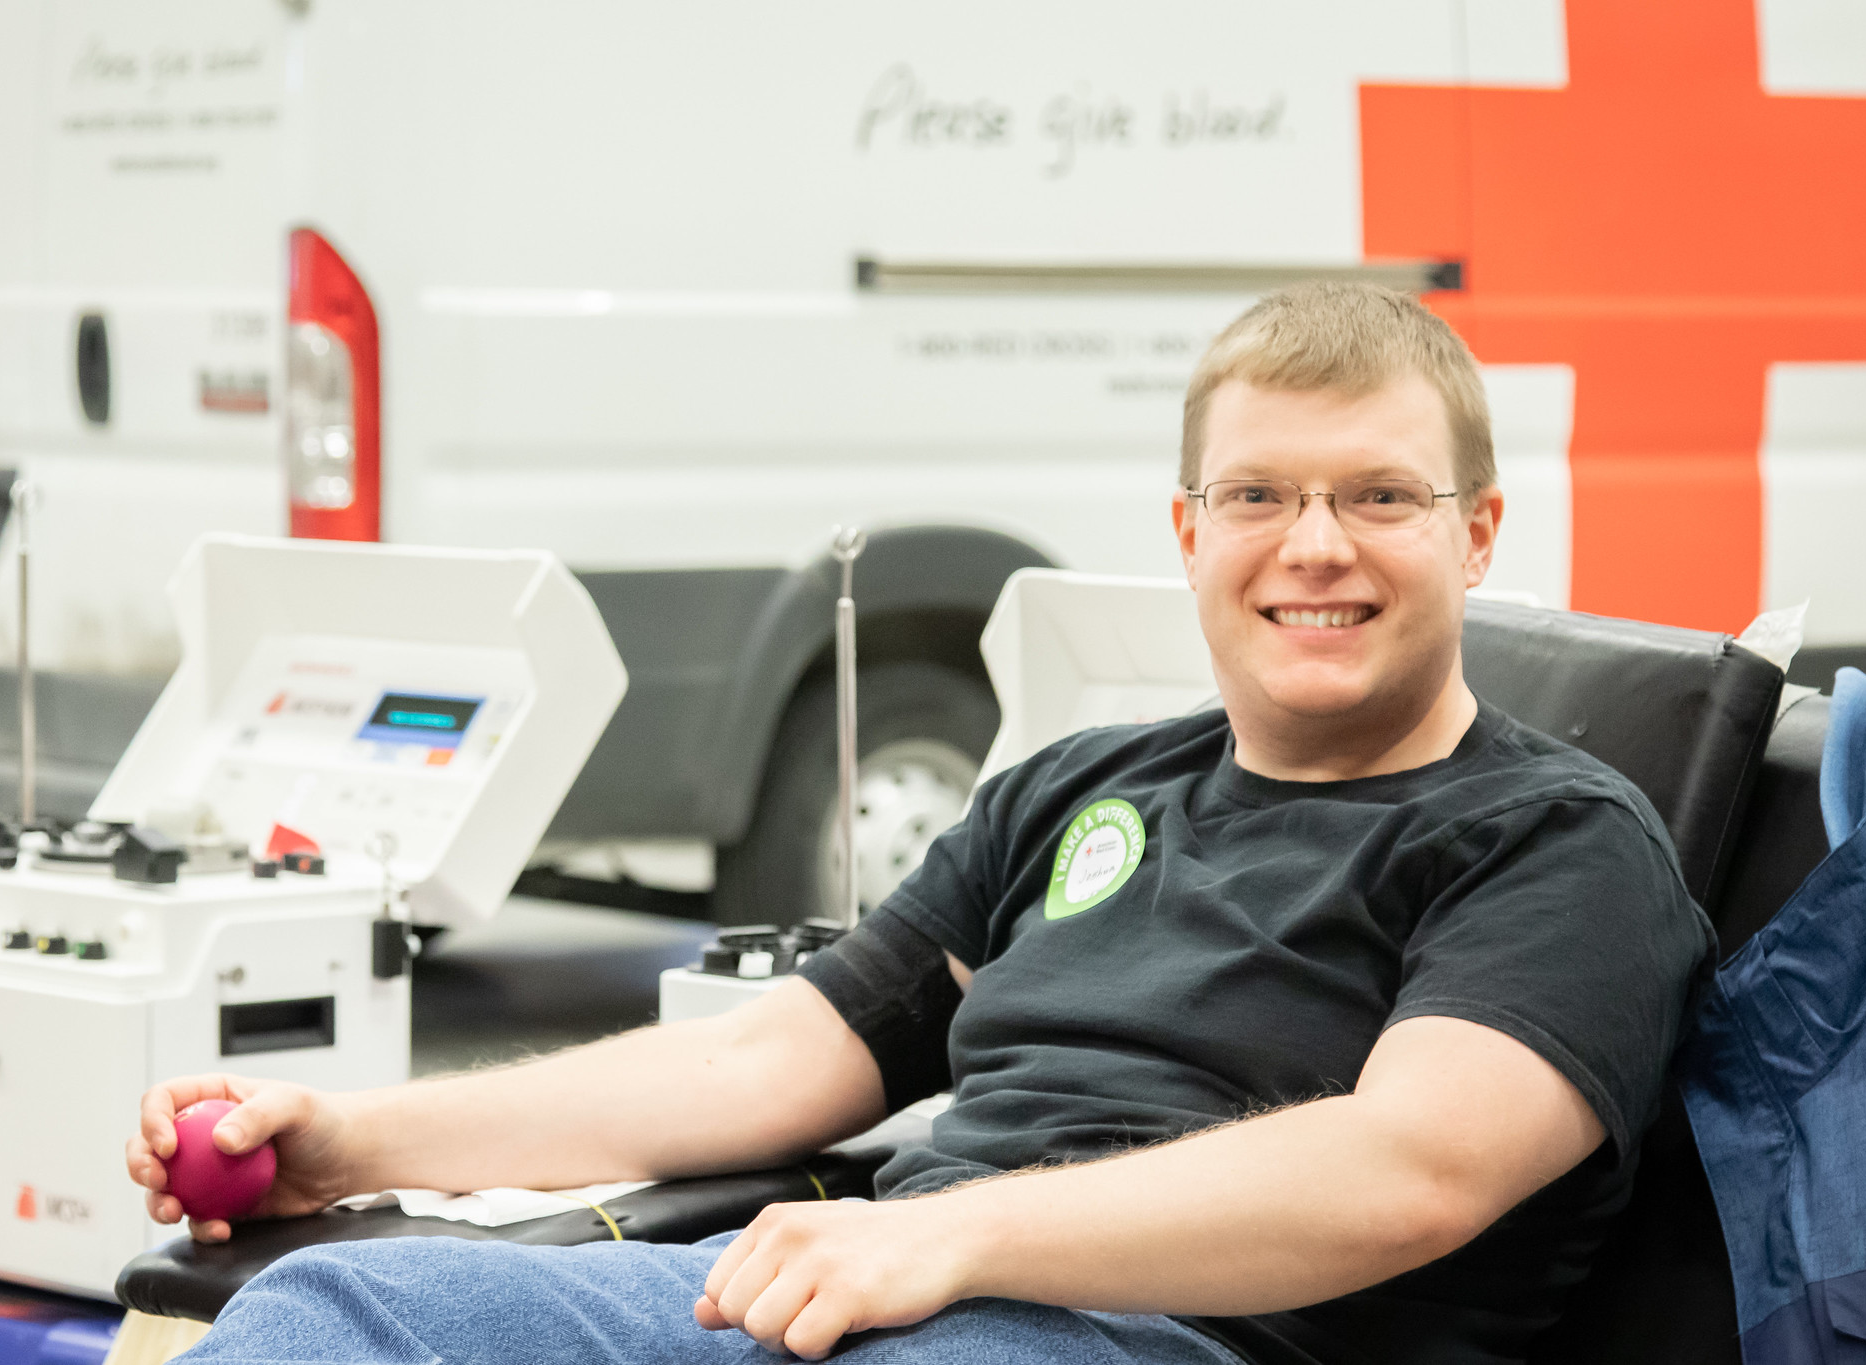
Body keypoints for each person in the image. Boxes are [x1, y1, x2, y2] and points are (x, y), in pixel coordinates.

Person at [126, 282, 1711, 1365]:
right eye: (1258, 496)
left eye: (1379, 495)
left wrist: (954, 1242)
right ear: (1186, 530)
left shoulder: (1558, 841)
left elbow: (1406, 1171)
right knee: (344, 1311)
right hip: (846, 1305)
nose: (1313, 547)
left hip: (1156, 1339)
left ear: (1478, 533)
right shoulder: (1078, 792)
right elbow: (756, 1065)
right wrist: (351, 1138)